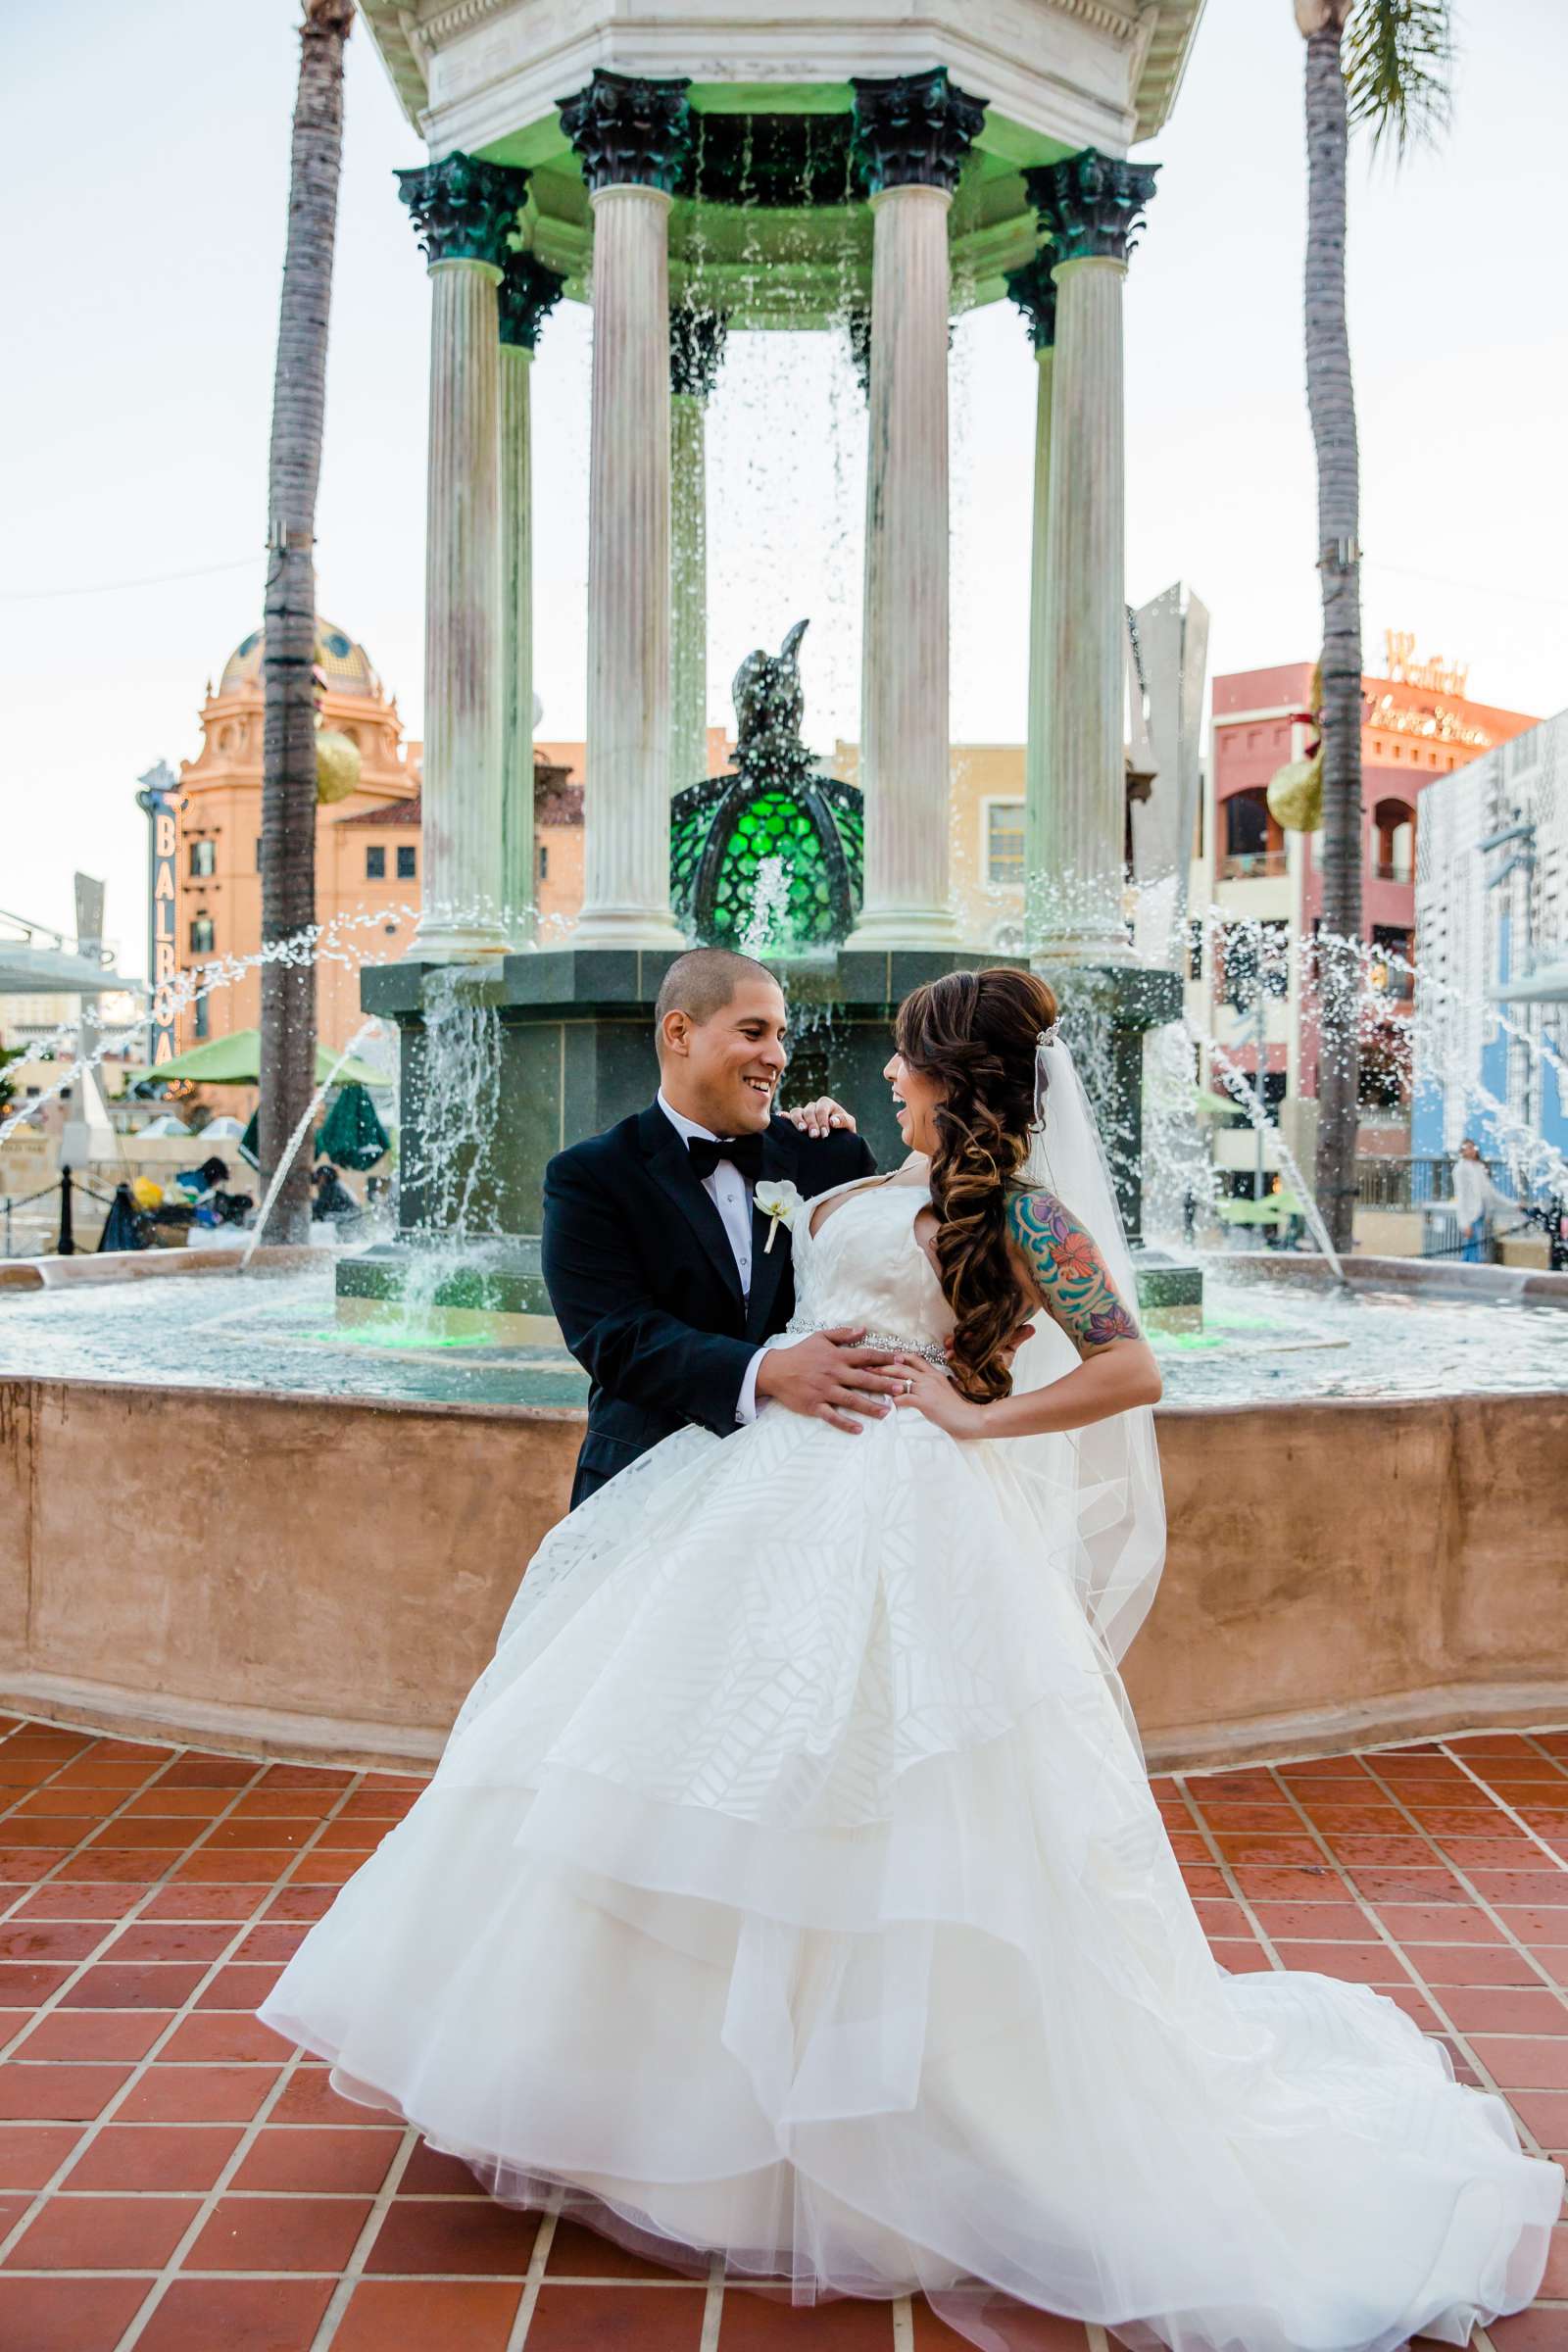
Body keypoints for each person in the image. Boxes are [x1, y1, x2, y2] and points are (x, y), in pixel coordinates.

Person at [256, 967, 1561, 2352]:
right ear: (685, 1035)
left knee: (895, 1795)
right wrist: (804, 1278)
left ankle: (897, 2127)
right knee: (707, 1770)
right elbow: (694, 1298)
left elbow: (1129, 1368)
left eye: (897, 1060)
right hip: (761, 1502)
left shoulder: (1013, 1209)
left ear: (947, 1075)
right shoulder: (833, 1173)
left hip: (912, 1515)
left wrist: (974, 1422)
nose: (865, 1074)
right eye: (763, 1034)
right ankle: (655, 2101)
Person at [539, 946, 898, 1504]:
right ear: (679, 1033)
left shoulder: (830, 1157)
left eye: (780, 1035)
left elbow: (882, 1288)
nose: (776, 1056)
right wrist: (767, 1371)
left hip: (809, 1483)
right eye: (754, 1032)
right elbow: (615, 1339)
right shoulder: (590, 1176)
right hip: (644, 1485)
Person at [1452, 1136, 1512, 1263]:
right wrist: (1464, 1222)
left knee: (1474, 1249)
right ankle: (1467, 1276)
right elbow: (1461, 1196)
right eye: (1467, 1148)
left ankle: (1466, 1275)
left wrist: (1513, 1204)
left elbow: (1490, 1192)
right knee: (1473, 1251)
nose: (1471, 1150)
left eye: (1472, 1147)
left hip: (1480, 1213)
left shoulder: (1478, 1167)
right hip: (1471, 1215)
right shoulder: (1461, 1169)